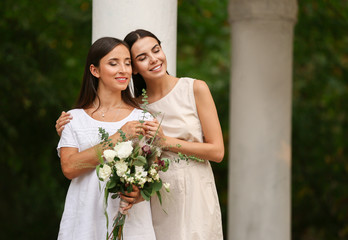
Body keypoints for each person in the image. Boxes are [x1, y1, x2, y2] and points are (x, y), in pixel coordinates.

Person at [56, 29, 224, 240]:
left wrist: (165, 142)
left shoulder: (190, 91)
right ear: (136, 69)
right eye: (142, 58)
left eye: (156, 50)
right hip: (153, 200)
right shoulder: (137, 108)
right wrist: (71, 129)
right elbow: (76, 159)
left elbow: (217, 151)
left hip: (193, 190)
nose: (153, 59)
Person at [56, 37, 156, 240]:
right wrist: (119, 137)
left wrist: (137, 193)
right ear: (95, 70)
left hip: (131, 224)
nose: (124, 70)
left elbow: (154, 176)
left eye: (128, 63)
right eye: (113, 63)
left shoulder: (144, 118)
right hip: (84, 222)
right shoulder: (74, 119)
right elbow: (70, 167)